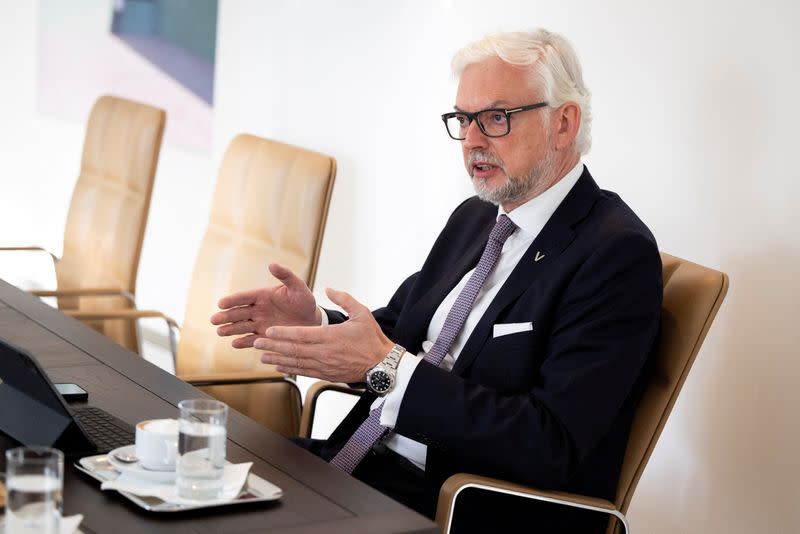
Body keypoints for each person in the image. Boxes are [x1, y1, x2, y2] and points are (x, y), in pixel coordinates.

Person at [211, 28, 662, 533]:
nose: (471, 140)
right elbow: (396, 334)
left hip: (459, 504)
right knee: (192, 479)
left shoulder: (614, 254)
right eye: (463, 120)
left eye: (496, 118)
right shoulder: (476, 216)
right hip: (365, 464)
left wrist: (387, 367)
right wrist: (317, 323)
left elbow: (550, 442)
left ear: (563, 123)